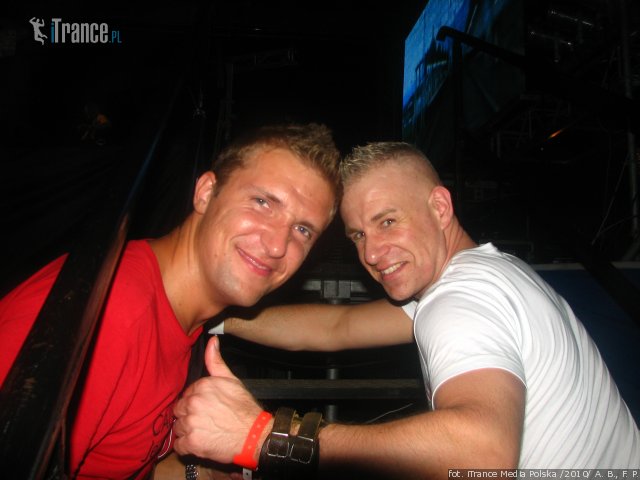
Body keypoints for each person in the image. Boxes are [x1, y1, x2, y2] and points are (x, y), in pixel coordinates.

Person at [172, 142, 640, 479]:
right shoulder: (488, 272)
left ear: (440, 207)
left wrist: (262, 435)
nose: (372, 253)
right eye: (359, 235)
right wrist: (216, 314)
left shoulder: (459, 302)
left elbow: (482, 455)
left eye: (388, 221)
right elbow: (338, 326)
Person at [0, 123, 341, 479]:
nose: (277, 246)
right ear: (206, 193)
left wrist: (198, 472)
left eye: (302, 230)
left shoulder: (182, 315)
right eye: (262, 202)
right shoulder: (111, 320)